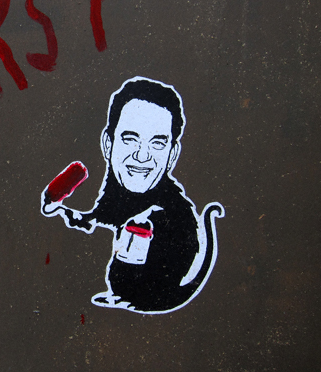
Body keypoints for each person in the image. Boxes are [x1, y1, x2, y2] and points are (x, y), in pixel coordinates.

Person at [41, 77, 224, 314]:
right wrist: (70, 213)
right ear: (108, 144)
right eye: (130, 139)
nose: (142, 156)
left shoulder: (170, 208)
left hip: (160, 286)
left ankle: (136, 297)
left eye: (157, 143)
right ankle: (125, 294)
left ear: (172, 154)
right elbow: (103, 216)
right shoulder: (114, 188)